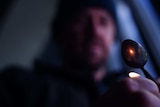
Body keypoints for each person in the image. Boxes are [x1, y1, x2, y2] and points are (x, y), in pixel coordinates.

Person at [0, 0, 160, 107]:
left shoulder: (132, 85)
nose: (95, 31)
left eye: (103, 21)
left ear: (113, 37)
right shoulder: (17, 83)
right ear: (60, 33)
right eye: (82, 20)